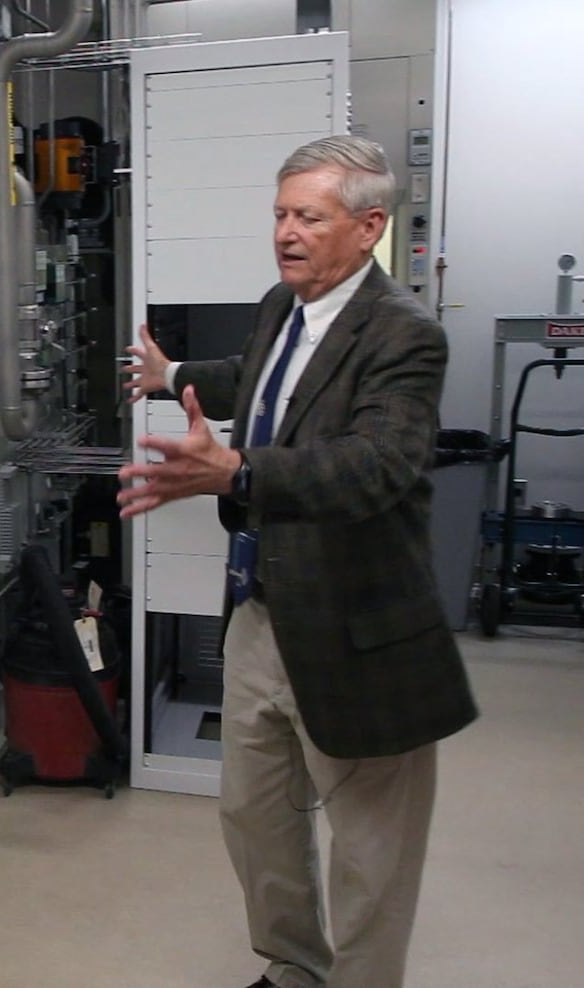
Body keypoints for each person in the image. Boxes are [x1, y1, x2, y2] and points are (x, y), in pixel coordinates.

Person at [118, 135, 478, 988]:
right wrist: (174, 377)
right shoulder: (284, 306)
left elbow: (377, 465)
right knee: (254, 814)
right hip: (262, 610)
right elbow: (262, 377)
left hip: (358, 627)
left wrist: (238, 469)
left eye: (307, 217)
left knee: (370, 849)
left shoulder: (406, 336)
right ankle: (293, 967)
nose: (285, 232)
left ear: (368, 227)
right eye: (280, 214)